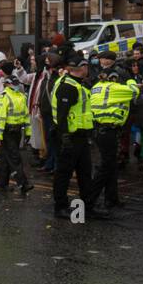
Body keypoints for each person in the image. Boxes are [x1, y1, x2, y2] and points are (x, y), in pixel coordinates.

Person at [52, 55, 109, 221]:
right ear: (82, 68)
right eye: (87, 66)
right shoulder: (68, 86)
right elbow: (61, 116)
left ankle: (88, 206)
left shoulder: (79, 84)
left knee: (85, 173)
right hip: (69, 137)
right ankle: (60, 207)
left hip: (81, 136)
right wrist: (65, 138)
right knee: (64, 174)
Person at [90, 69, 138, 208]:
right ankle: (90, 199)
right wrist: (130, 79)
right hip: (108, 131)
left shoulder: (97, 87)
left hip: (100, 129)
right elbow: (134, 91)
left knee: (111, 166)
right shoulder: (115, 88)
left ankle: (111, 199)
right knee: (106, 166)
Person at [0, 70, 34, 193]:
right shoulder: (3, 97)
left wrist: (28, 132)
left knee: (6, 159)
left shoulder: (22, 97)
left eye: (17, 83)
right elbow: (0, 118)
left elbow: (26, 116)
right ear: (6, 84)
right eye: (14, 83)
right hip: (7, 132)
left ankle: (2, 184)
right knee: (15, 158)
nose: (16, 85)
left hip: (17, 131)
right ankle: (23, 183)